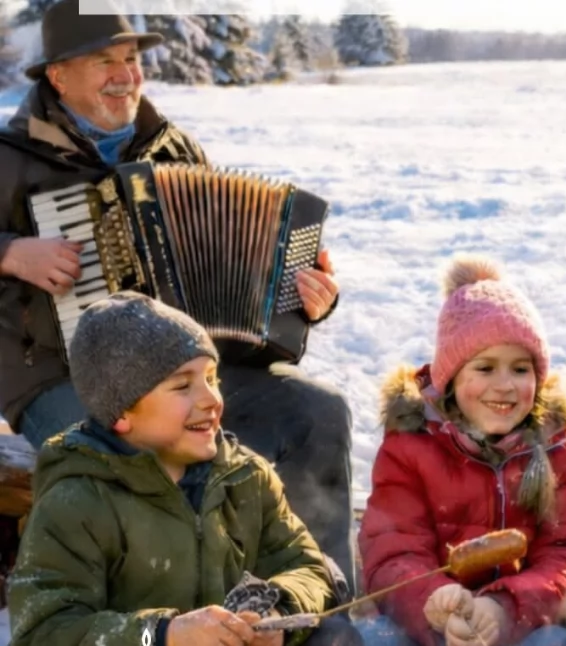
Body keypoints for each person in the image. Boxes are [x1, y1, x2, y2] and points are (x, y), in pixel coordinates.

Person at [0, 0, 358, 593]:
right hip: (59, 376)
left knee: (314, 412)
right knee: (150, 453)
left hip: (183, 370)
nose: (125, 74)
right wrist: (11, 252)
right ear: (58, 77)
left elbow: (234, 262)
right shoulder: (10, 160)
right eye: (102, 61)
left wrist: (305, 297)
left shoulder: (172, 148)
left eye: (130, 58)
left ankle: (315, 597)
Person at [7, 292, 362, 646]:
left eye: (212, 379)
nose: (211, 399)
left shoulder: (245, 477)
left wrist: (279, 614)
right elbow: (45, 632)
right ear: (122, 414)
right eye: (183, 386)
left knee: (334, 636)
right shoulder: (78, 503)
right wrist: (162, 636)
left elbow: (312, 568)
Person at [358, 255, 566, 646]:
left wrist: (505, 609)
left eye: (520, 370)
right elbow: (391, 552)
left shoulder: (558, 446)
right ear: (451, 379)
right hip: (431, 625)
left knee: (555, 641)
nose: (504, 385)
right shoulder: (411, 443)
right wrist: (432, 604)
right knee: (373, 638)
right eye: (485, 369)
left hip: (522, 622)